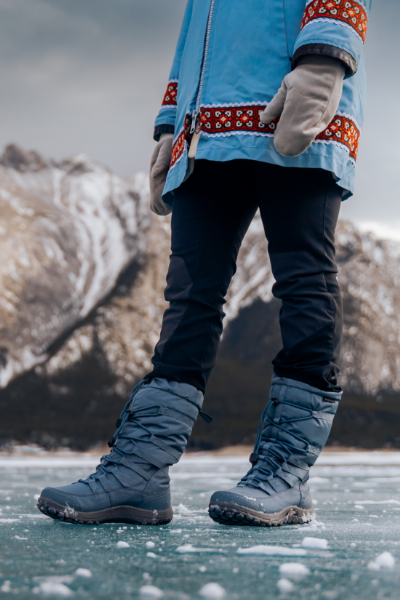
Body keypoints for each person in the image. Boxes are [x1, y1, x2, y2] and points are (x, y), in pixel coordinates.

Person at [38, 0, 371, 527]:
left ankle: (287, 471)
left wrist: (325, 61)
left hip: (296, 98)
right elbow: (200, 23)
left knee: (303, 278)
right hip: (205, 130)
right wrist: (171, 120)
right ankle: (140, 471)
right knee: (189, 295)